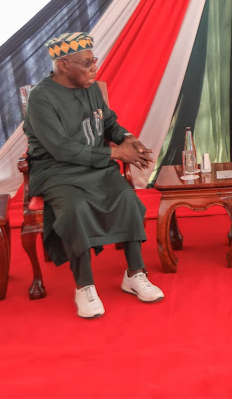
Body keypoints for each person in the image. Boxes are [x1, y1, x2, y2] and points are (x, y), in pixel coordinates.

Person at [24, 32, 164, 318]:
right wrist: (117, 154)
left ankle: (135, 274)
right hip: (57, 171)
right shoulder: (41, 98)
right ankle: (84, 286)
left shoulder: (90, 86)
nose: (93, 69)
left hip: (96, 165)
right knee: (75, 208)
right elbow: (62, 149)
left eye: (94, 61)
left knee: (127, 199)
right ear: (63, 65)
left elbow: (109, 122)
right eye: (86, 64)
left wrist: (127, 138)